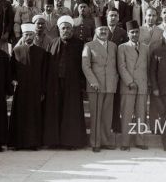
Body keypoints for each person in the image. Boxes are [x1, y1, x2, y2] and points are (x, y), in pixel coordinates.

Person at [44, 16, 87, 149]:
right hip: (55, 84)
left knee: (71, 112)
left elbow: (83, 66)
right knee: (55, 111)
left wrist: (81, 84)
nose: (66, 30)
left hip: (72, 84)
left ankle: (71, 142)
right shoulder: (52, 43)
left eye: (68, 28)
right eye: (63, 28)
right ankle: (54, 141)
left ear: (72, 29)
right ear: (59, 29)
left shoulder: (80, 44)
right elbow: (47, 65)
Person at [8, 23, 47, 150]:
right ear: (23, 36)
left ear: (34, 35)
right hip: (21, 89)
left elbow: (43, 72)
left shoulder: (41, 52)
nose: (29, 37)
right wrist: (13, 80)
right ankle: (18, 143)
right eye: (26, 35)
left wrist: (42, 89)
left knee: (33, 116)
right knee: (20, 115)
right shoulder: (16, 50)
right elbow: (11, 70)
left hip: (35, 89)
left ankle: (33, 143)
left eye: (31, 34)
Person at [82, 16, 118, 152]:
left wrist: (115, 80)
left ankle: (106, 141)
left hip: (110, 85)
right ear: (96, 31)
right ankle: (95, 142)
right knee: (96, 115)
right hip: (95, 86)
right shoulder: (89, 46)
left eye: (105, 29)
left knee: (107, 116)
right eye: (100, 29)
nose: (103, 31)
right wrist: (93, 81)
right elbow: (85, 66)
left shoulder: (114, 46)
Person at [117, 20, 149, 150]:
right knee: (126, 114)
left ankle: (140, 141)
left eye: (136, 32)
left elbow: (148, 66)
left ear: (139, 33)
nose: (134, 34)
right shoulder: (122, 47)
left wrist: (146, 82)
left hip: (141, 85)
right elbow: (121, 66)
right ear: (128, 34)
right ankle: (125, 142)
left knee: (141, 114)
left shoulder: (146, 47)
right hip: (128, 85)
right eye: (132, 32)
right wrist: (129, 81)